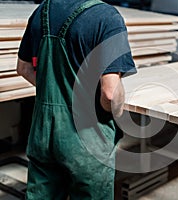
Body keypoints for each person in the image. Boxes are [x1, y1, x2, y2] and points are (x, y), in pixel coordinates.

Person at [17, 0, 136, 199]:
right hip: (87, 137)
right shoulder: (107, 17)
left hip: (43, 133)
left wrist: (55, 92)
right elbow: (110, 93)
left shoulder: (41, 12)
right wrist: (117, 110)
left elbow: (23, 68)